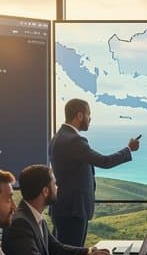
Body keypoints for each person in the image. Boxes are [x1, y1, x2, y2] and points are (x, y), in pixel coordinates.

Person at [50, 98, 140, 246]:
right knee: (72, 253)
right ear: (79, 116)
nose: (90, 119)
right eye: (88, 114)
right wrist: (129, 149)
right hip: (74, 210)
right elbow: (104, 161)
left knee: (64, 252)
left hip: (64, 207)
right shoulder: (74, 141)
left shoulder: (57, 137)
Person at [2, 164, 113, 255]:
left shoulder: (33, 215)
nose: (57, 188)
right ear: (45, 191)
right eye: (54, 184)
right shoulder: (20, 222)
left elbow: (56, 248)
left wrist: (89, 251)